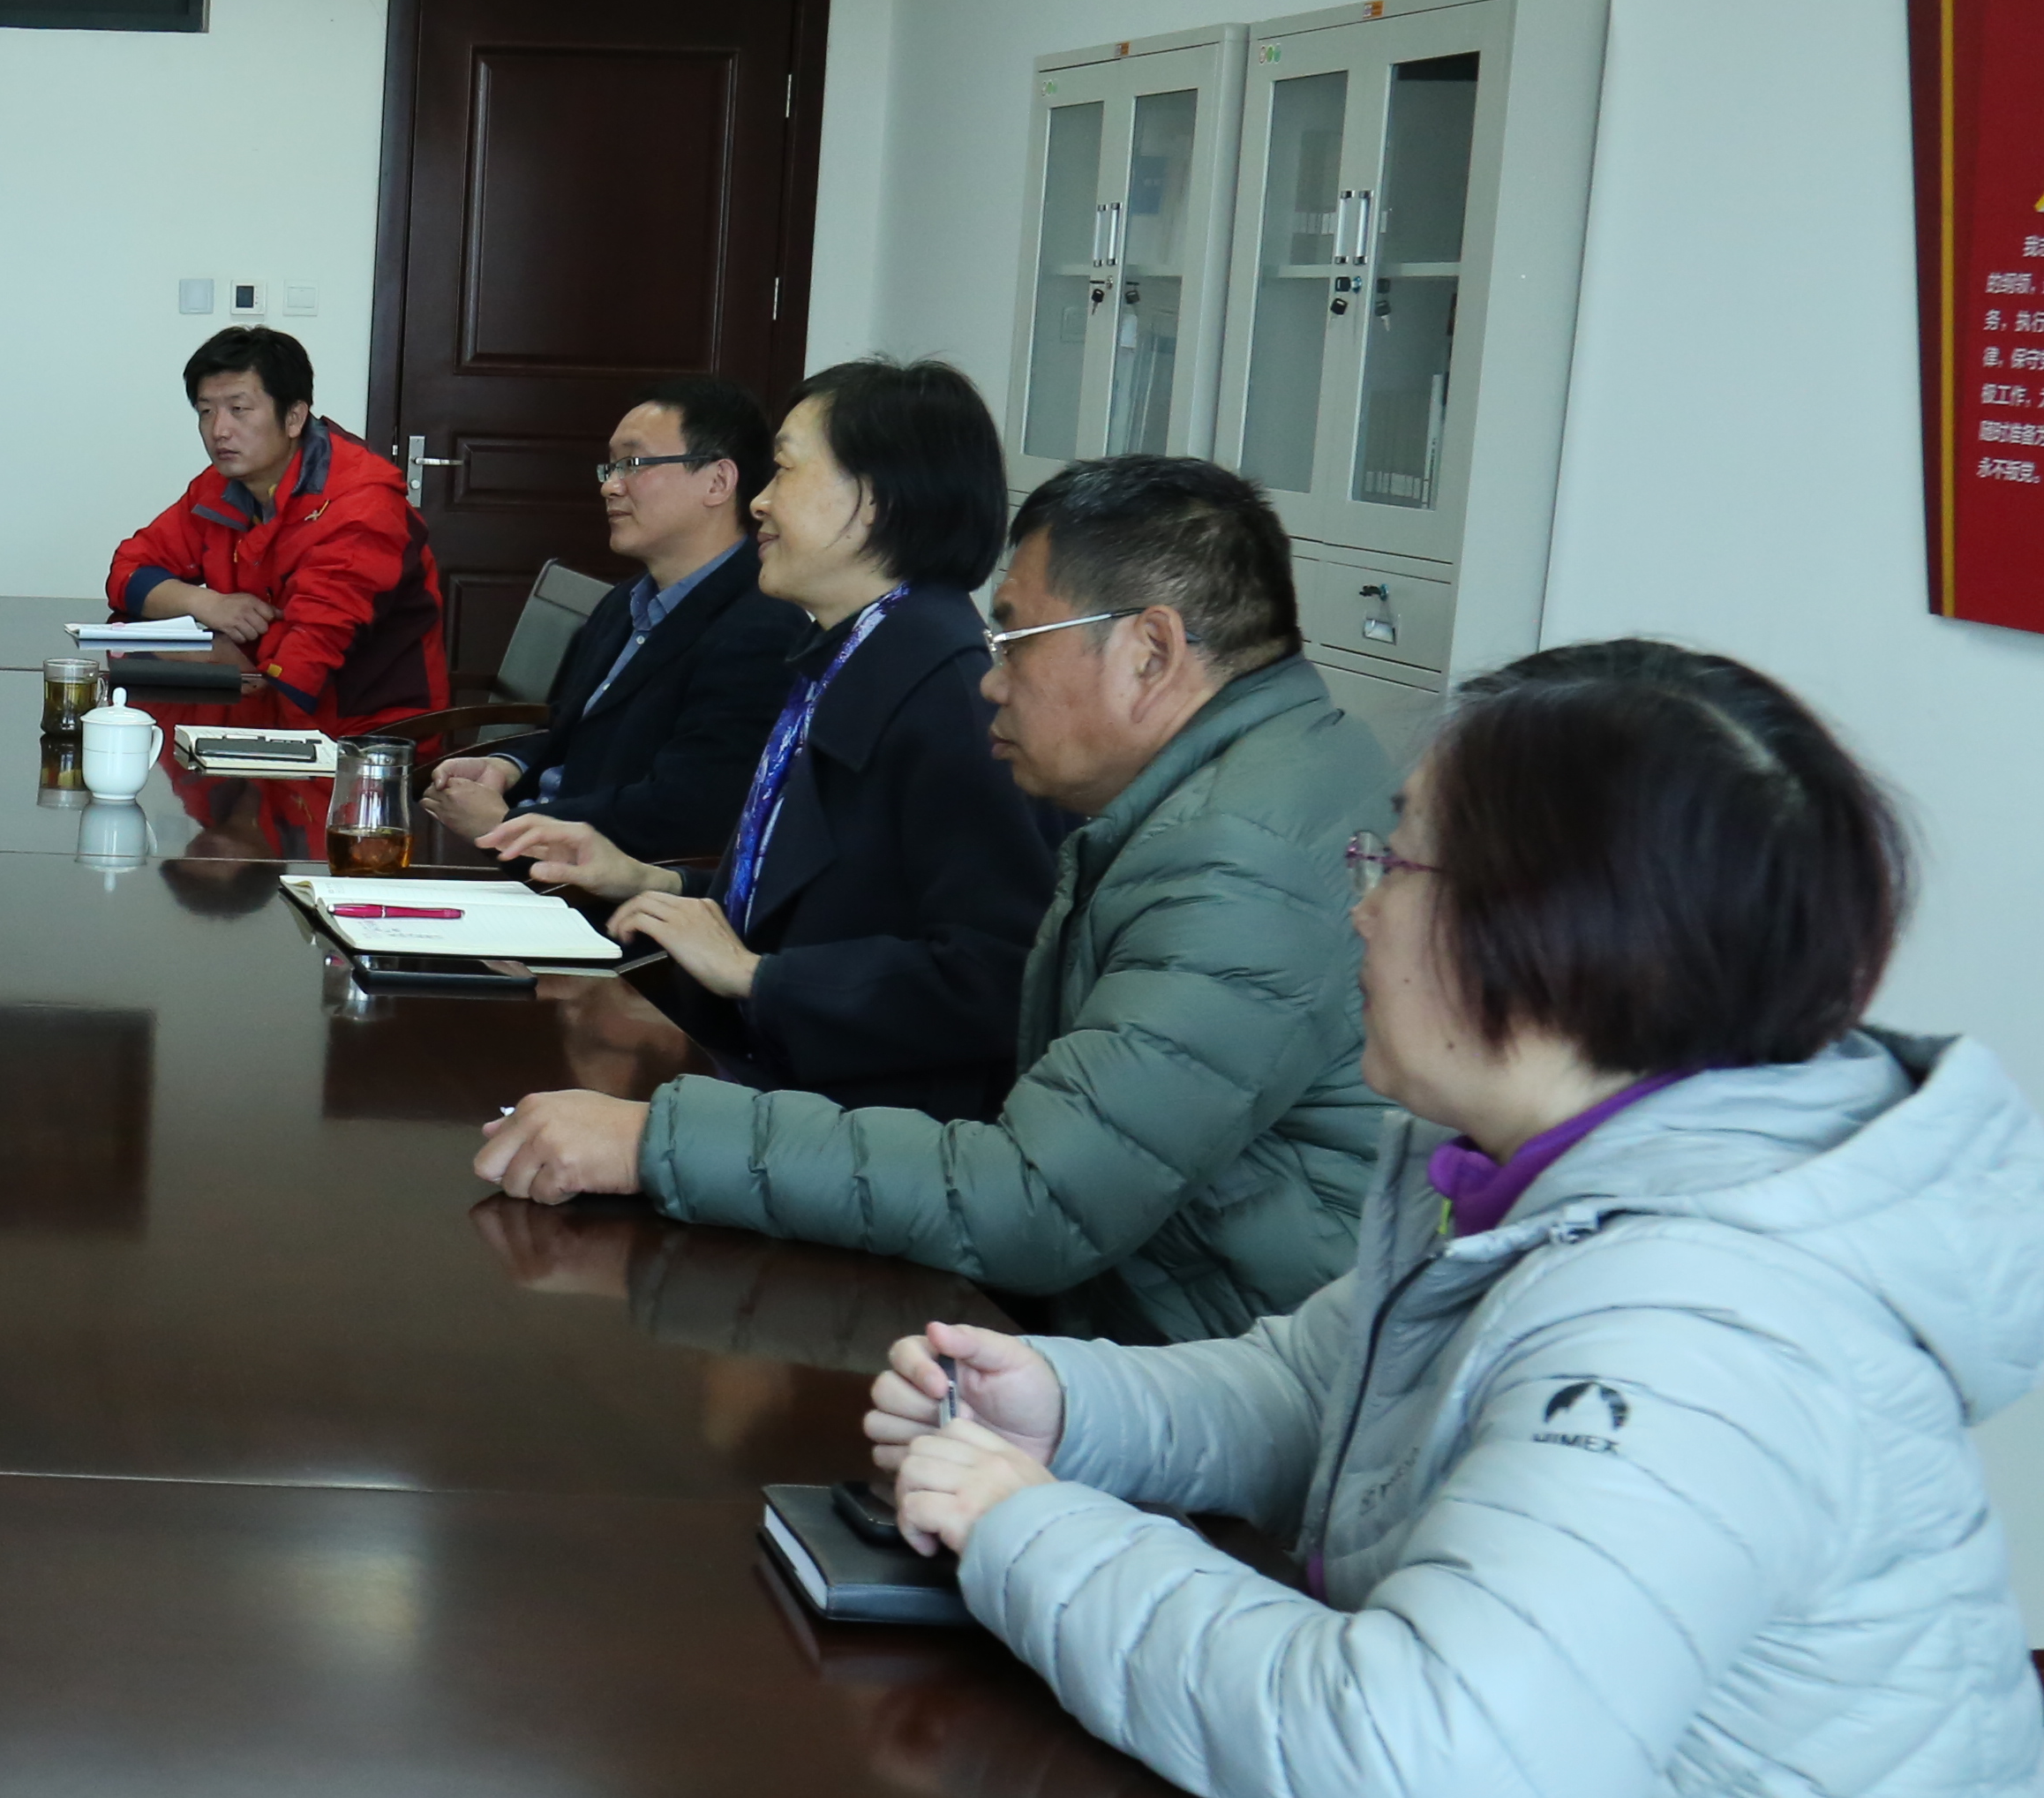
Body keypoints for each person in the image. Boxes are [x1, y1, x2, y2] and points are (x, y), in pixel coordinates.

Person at [868, 643, 2044, 1798]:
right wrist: (1066, 1405)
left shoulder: (1712, 1316)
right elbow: (1317, 1384)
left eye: (1397, 856)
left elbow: (1441, 1759)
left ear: (1555, 930)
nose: (1359, 902)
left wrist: (1032, 1534)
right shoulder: (1531, 1166)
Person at [482, 454, 1393, 1342]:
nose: (991, 681)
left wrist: (654, 1142)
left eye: (1014, 641)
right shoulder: (1268, 770)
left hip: (1193, 1369)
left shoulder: (1235, 861)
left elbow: (1036, 1201)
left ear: (1148, 650)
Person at [471, 358, 1048, 1122]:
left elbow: (998, 977)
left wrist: (755, 977)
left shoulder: (954, 697)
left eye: (783, 471)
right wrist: (647, 880)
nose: (762, 502)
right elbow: (816, 901)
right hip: (764, 1065)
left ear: (874, 499)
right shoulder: (852, 653)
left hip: (858, 1119)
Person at [423, 374, 808, 869]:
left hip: (599, 890)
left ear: (717, 481)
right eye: (611, 465)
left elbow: (689, 811)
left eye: (634, 463)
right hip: (538, 852)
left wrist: (512, 827)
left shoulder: (760, 628)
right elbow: (572, 733)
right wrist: (505, 765)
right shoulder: (628, 599)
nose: (610, 485)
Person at [101, 327, 448, 733]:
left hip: (358, 742)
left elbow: (306, 664)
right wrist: (206, 603)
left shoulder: (362, 508)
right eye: (206, 411)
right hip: (252, 708)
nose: (219, 431)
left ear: (294, 417)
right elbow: (127, 572)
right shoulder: (218, 487)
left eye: (239, 409)